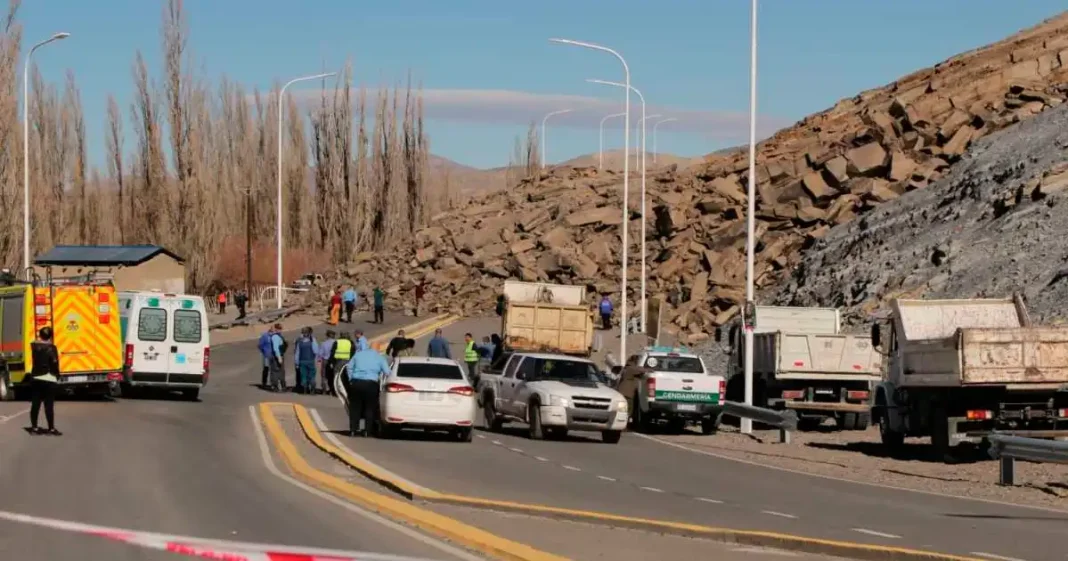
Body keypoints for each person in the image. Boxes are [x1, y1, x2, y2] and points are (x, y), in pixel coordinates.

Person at [345, 344, 390, 437]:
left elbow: (349, 367)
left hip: (356, 383)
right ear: (378, 348)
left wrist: (351, 379)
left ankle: (353, 430)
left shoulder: (358, 355)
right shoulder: (380, 358)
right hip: (371, 384)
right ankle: (367, 431)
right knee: (370, 408)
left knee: (355, 407)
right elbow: (387, 372)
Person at [26, 327, 60, 435]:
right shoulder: (52, 348)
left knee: (35, 403)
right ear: (50, 336)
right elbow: (54, 362)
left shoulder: (34, 346)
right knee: (48, 405)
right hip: (49, 377)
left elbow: (35, 341)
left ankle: (34, 428)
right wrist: (57, 374)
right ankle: (51, 429)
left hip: (36, 377)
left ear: (40, 336)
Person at [294, 327, 319, 394]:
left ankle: (305, 390)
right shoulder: (312, 340)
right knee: (312, 375)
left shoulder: (300, 341)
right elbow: (316, 351)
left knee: (303, 375)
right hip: (310, 360)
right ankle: (312, 389)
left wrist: (296, 363)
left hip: (302, 361)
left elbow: (297, 353)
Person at [330, 331, 354, 396]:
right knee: (347, 377)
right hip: (348, 361)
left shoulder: (337, 342)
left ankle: (336, 392)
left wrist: (332, 362)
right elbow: (353, 353)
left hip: (338, 362)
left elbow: (332, 353)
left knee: (336, 376)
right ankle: (347, 391)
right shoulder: (351, 342)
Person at [317, 329, 336, 395]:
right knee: (332, 375)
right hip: (333, 361)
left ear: (327, 336)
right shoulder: (336, 343)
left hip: (325, 360)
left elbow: (320, 354)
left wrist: (319, 360)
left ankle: (324, 390)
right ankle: (332, 390)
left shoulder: (324, 343)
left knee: (324, 376)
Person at [269, 323, 287, 392]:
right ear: (276, 329)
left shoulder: (279, 336)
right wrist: (279, 357)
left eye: (281, 329)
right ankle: (275, 386)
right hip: (276, 356)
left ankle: (283, 386)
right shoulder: (275, 337)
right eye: (279, 329)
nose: (281, 330)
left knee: (281, 371)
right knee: (276, 372)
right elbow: (276, 348)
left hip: (280, 355)